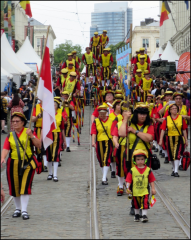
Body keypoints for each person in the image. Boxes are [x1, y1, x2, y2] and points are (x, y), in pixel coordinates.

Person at [1, 112, 41, 220]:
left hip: (27, 163)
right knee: (14, 186)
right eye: (13, 121)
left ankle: (24, 210)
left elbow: (39, 145)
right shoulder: (10, 135)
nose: (14, 123)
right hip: (13, 163)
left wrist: (32, 136)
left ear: (23, 122)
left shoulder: (29, 132)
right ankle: (17, 209)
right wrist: (2, 157)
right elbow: (5, 148)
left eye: (17, 121)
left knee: (25, 185)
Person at [118, 104, 154, 215]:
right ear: (136, 114)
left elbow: (149, 138)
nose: (142, 116)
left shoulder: (149, 125)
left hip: (145, 157)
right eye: (140, 114)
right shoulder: (129, 123)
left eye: (144, 114)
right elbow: (121, 134)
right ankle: (134, 205)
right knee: (132, 181)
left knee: (144, 181)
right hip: (130, 156)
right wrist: (125, 119)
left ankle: (144, 204)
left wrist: (135, 131)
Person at [125, 149, 156, 222]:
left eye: (142, 159)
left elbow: (151, 180)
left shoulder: (148, 170)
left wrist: (153, 189)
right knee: (135, 204)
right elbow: (128, 180)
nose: (140, 161)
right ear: (134, 160)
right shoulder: (132, 170)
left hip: (144, 191)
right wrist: (127, 188)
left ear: (145, 160)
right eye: (138, 159)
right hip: (135, 191)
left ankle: (144, 215)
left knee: (145, 203)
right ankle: (137, 215)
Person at [159, 103, 188, 177]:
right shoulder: (167, 119)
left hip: (179, 138)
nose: (175, 110)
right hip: (169, 138)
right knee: (171, 155)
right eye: (173, 109)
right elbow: (163, 130)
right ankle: (174, 169)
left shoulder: (181, 118)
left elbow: (184, 129)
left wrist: (186, 139)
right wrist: (160, 140)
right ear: (170, 110)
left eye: (176, 109)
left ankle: (176, 171)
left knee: (177, 154)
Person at [91, 105, 113, 185]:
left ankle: (104, 178)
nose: (102, 115)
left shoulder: (111, 120)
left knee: (107, 158)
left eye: (103, 114)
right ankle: (104, 174)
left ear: (106, 113)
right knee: (100, 159)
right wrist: (93, 141)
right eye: (100, 114)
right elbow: (93, 132)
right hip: (99, 142)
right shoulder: (96, 121)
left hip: (108, 141)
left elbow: (114, 131)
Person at [46, 99, 66, 181]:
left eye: (54, 105)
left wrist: (64, 141)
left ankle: (55, 174)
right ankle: (50, 173)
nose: (53, 107)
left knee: (56, 155)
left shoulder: (60, 116)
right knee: (49, 155)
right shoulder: (47, 116)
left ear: (57, 107)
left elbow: (62, 129)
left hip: (57, 136)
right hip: (48, 136)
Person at [32, 99, 48, 172]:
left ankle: (45, 165)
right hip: (38, 129)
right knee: (38, 147)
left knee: (46, 147)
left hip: (47, 129)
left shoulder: (48, 107)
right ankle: (39, 164)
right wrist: (37, 117)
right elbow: (32, 119)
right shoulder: (36, 107)